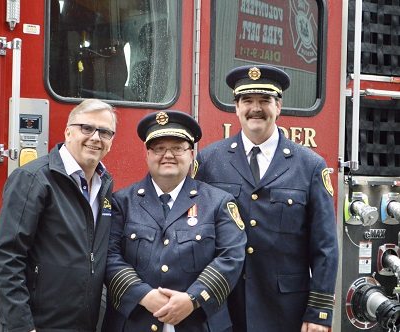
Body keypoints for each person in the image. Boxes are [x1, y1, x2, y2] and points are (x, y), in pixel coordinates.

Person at [194, 65, 339, 332]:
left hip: (286, 310)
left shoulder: (310, 166)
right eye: (247, 101)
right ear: (236, 108)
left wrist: (319, 312)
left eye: (265, 101)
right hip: (224, 306)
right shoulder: (209, 161)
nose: (256, 109)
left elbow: (325, 246)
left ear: (278, 107)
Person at [103, 110, 247, 332]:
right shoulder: (122, 202)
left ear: (191, 154)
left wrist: (193, 299)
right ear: (147, 154)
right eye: (159, 148)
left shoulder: (219, 202)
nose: (167, 155)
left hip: (199, 322)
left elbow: (231, 256)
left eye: (178, 148)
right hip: (135, 322)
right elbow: (109, 257)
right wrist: (144, 295)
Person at [0, 99, 116, 332]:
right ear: (68, 131)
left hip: (82, 325)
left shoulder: (105, 185)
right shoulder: (34, 178)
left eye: (105, 132)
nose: (96, 137)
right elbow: (8, 256)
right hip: (39, 325)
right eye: (87, 128)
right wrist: (21, 326)